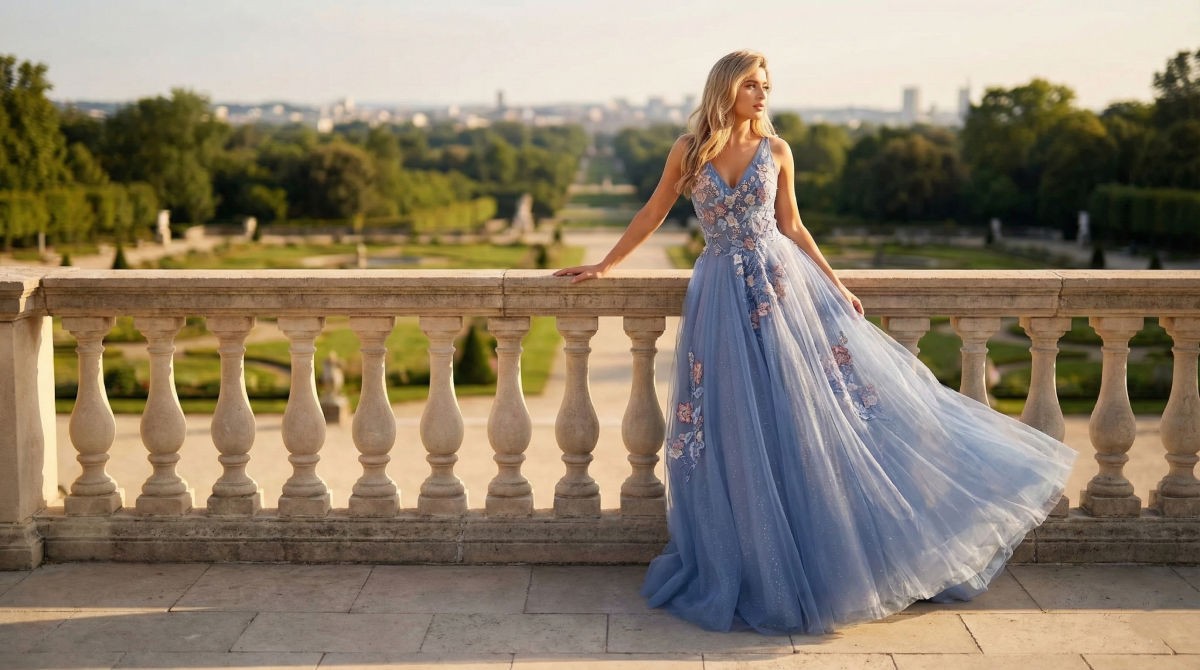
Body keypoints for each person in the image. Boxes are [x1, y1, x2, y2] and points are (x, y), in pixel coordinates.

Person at [555, 50, 1076, 635]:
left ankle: (819, 559)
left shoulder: (777, 151)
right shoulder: (688, 149)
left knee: (803, 418)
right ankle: (752, 565)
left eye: (766, 85)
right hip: (719, 300)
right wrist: (605, 265)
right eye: (752, 85)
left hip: (781, 294)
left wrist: (838, 287)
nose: (763, 94)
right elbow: (654, 211)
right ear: (726, 88)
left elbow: (793, 226)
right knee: (731, 428)